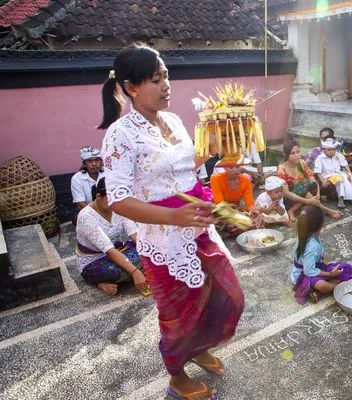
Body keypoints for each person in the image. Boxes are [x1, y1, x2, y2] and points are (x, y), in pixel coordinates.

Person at [99, 43, 243, 400]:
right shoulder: (120, 134)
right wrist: (173, 216)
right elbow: (118, 199)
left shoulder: (175, 120)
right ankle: (178, 378)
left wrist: (207, 154)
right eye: (155, 79)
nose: (166, 85)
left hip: (196, 224)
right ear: (132, 88)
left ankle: (200, 347)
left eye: (166, 76)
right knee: (178, 315)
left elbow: (181, 166)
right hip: (163, 239)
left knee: (227, 296)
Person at [76, 178, 146, 296]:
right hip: (95, 261)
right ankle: (100, 283)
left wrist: (151, 251)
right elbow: (109, 251)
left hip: (119, 252)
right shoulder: (86, 217)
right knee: (114, 271)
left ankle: (139, 269)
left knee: (150, 251)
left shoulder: (119, 207)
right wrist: (135, 272)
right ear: (98, 196)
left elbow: (134, 234)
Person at [291, 205, 352, 304]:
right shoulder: (310, 247)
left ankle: (319, 291)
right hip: (303, 275)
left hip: (316, 267)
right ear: (322, 224)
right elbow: (308, 271)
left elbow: (322, 256)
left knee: (346, 268)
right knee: (321, 285)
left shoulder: (312, 235)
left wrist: (327, 266)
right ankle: (339, 287)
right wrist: (330, 274)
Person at [277, 140, 342, 223]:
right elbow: (286, 193)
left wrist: (318, 194)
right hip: (289, 199)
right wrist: (308, 201)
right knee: (304, 185)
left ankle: (293, 210)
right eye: (292, 153)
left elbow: (313, 181)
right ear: (285, 155)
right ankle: (326, 210)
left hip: (303, 195)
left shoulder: (302, 163)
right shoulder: (281, 168)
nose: (296, 155)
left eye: (297, 152)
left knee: (311, 184)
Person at [210, 165, 265, 236]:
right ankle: (230, 231)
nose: (235, 170)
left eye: (238, 167)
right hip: (220, 211)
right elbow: (220, 205)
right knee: (219, 221)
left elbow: (250, 206)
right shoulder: (215, 179)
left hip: (236, 210)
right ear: (225, 167)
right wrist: (239, 213)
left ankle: (229, 232)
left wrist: (257, 209)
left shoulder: (246, 181)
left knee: (259, 217)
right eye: (231, 167)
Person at [314, 138, 352, 209]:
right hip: (328, 176)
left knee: (350, 176)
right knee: (339, 179)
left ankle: (351, 197)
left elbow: (345, 164)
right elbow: (318, 171)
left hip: (339, 174)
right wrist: (322, 180)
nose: (332, 152)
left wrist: (350, 172)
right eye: (329, 150)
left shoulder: (337, 155)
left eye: (333, 149)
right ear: (324, 149)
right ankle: (341, 199)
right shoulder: (320, 158)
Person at [71, 146, 105, 225]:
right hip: (89, 210)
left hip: (109, 209)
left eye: (97, 160)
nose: (94, 164)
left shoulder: (107, 173)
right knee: (77, 220)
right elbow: (80, 204)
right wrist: (98, 216)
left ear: (101, 162)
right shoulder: (77, 178)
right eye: (89, 161)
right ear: (84, 164)